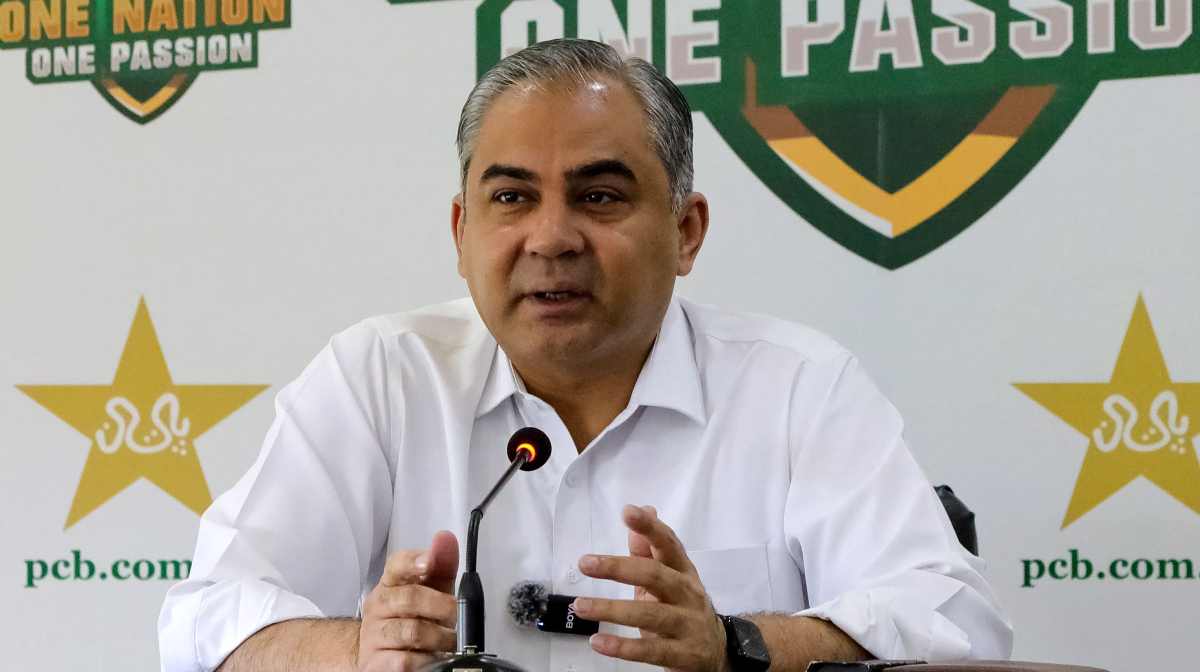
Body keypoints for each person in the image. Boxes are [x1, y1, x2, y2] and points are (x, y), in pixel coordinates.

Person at [158, 39, 1012, 672]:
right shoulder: (382, 376)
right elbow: (209, 618)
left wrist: (738, 645)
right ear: (462, 232)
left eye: (599, 196)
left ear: (685, 231)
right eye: (511, 197)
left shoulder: (798, 387)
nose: (551, 238)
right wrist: (357, 651)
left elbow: (956, 624)